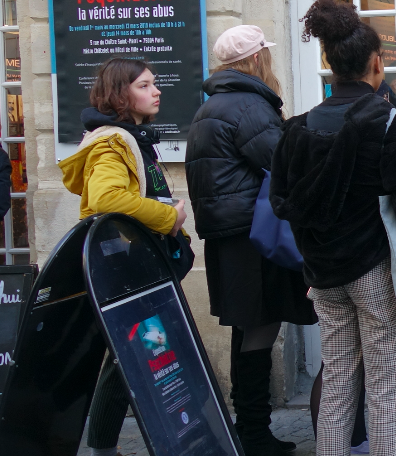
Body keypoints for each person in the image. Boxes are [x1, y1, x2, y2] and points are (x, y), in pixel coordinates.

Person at [269, 0, 396, 456]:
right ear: (377, 64)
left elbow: (282, 201)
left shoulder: (296, 128)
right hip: (375, 268)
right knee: (383, 385)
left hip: (321, 272)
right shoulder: (388, 121)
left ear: (328, 61)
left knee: (337, 379)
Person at [185, 25, 317, 456]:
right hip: (252, 238)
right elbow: (284, 165)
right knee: (259, 328)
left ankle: (250, 429)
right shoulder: (249, 105)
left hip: (230, 236)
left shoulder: (214, 105)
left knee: (249, 328)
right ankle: (255, 434)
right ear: (256, 60)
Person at [59, 58, 190, 456]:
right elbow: (107, 198)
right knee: (128, 358)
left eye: (154, 84)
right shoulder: (112, 141)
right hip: (127, 265)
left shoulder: (129, 137)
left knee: (128, 357)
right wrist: (169, 217)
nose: (156, 91)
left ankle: (104, 446)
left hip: (137, 263)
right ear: (121, 94)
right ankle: (102, 447)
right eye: (145, 85)